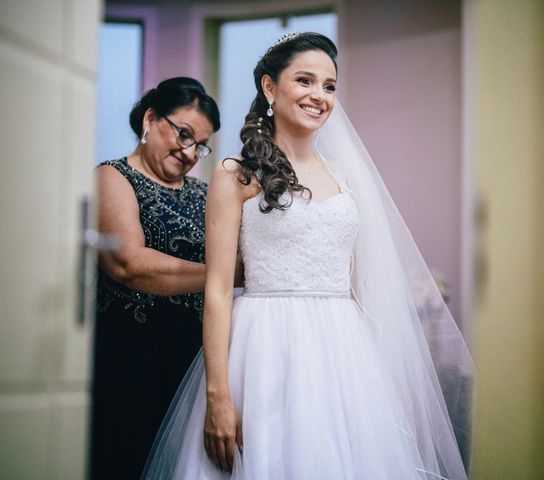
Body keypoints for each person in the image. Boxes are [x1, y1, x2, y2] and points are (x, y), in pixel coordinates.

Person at [143, 34, 472, 479]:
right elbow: (218, 289)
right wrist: (219, 395)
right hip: (261, 351)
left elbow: (361, 282)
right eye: (305, 80)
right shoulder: (236, 175)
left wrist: (378, 387)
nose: (319, 95)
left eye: (330, 85)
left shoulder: (347, 175)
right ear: (270, 88)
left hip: (342, 352)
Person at [90, 77, 221, 480]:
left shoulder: (205, 193)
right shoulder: (112, 177)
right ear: (150, 118)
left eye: (200, 145)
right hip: (130, 358)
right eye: (183, 134)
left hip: (191, 362)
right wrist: (221, 274)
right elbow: (127, 264)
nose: (189, 152)